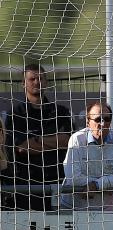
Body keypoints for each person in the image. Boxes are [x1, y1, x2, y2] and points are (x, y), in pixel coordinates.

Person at [4, 64, 73, 210]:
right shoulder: (15, 114)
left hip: (58, 182)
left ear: (46, 82)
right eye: (32, 79)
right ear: (24, 83)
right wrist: (56, 140)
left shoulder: (60, 112)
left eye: (41, 78)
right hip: (27, 186)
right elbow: (22, 148)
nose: (37, 82)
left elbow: (70, 141)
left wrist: (36, 141)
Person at [60, 102, 113, 211]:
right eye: (97, 119)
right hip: (73, 207)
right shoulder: (76, 139)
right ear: (87, 122)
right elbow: (73, 178)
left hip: (105, 209)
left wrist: (96, 185)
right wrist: (106, 183)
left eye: (106, 119)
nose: (102, 123)